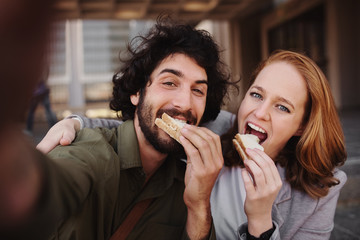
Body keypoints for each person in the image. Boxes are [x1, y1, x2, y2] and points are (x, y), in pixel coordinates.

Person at [40, 50, 347, 240]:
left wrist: (261, 221)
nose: (260, 112)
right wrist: (77, 124)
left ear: (303, 125)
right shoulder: (218, 128)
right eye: (257, 94)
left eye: (283, 107)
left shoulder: (319, 192)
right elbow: (150, 123)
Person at [1, 16, 236, 240]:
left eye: (198, 90)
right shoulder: (92, 153)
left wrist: (198, 206)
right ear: (137, 93)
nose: (184, 103)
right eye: (169, 83)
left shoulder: (187, 186)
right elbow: (52, 184)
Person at [26, 68, 57, 135]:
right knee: (48, 110)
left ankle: (29, 130)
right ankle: (55, 128)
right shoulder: (38, 68)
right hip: (41, 92)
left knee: (32, 112)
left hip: (37, 93)